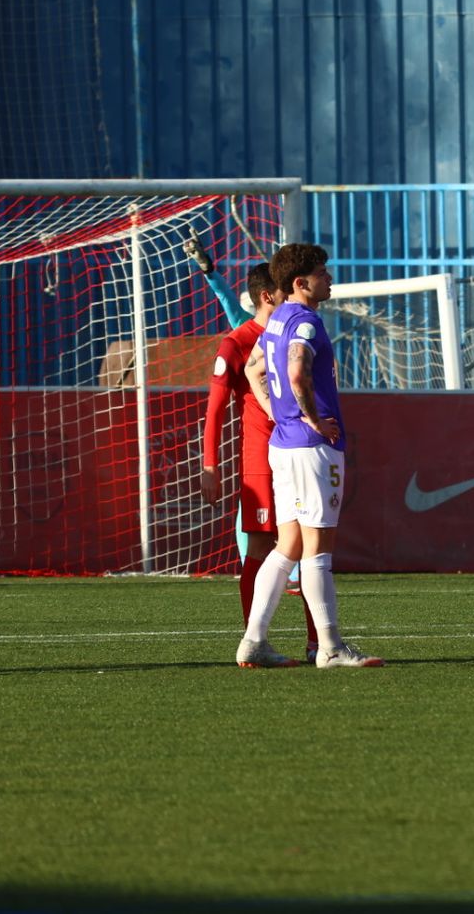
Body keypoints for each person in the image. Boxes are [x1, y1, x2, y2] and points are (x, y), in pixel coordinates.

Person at [236, 242, 383, 669]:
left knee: (287, 548)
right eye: (323, 272)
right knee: (318, 550)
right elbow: (297, 370)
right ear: (301, 283)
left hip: (283, 446)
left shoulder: (277, 318)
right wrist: (313, 419)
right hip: (312, 449)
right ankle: (331, 647)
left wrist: (278, 415)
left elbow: (254, 369)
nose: (330, 278)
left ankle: (254, 641)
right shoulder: (305, 322)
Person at [200, 263, 316, 660]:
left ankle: (319, 641)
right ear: (270, 296)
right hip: (263, 460)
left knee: (311, 541)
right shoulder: (237, 342)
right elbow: (214, 410)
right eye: (285, 290)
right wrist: (210, 466)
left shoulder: (291, 333)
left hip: (298, 450)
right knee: (263, 546)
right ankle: (257, 641)